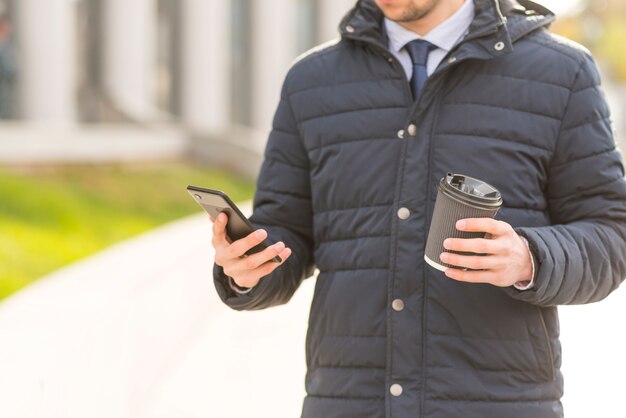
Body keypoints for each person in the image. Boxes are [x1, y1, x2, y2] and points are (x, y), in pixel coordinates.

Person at [211, 0, 626, 416]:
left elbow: (612, 233)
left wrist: (530, 258)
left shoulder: (561, 72)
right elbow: (286, 230)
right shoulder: (310, 81)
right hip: (348, 403)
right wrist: (246, 268)